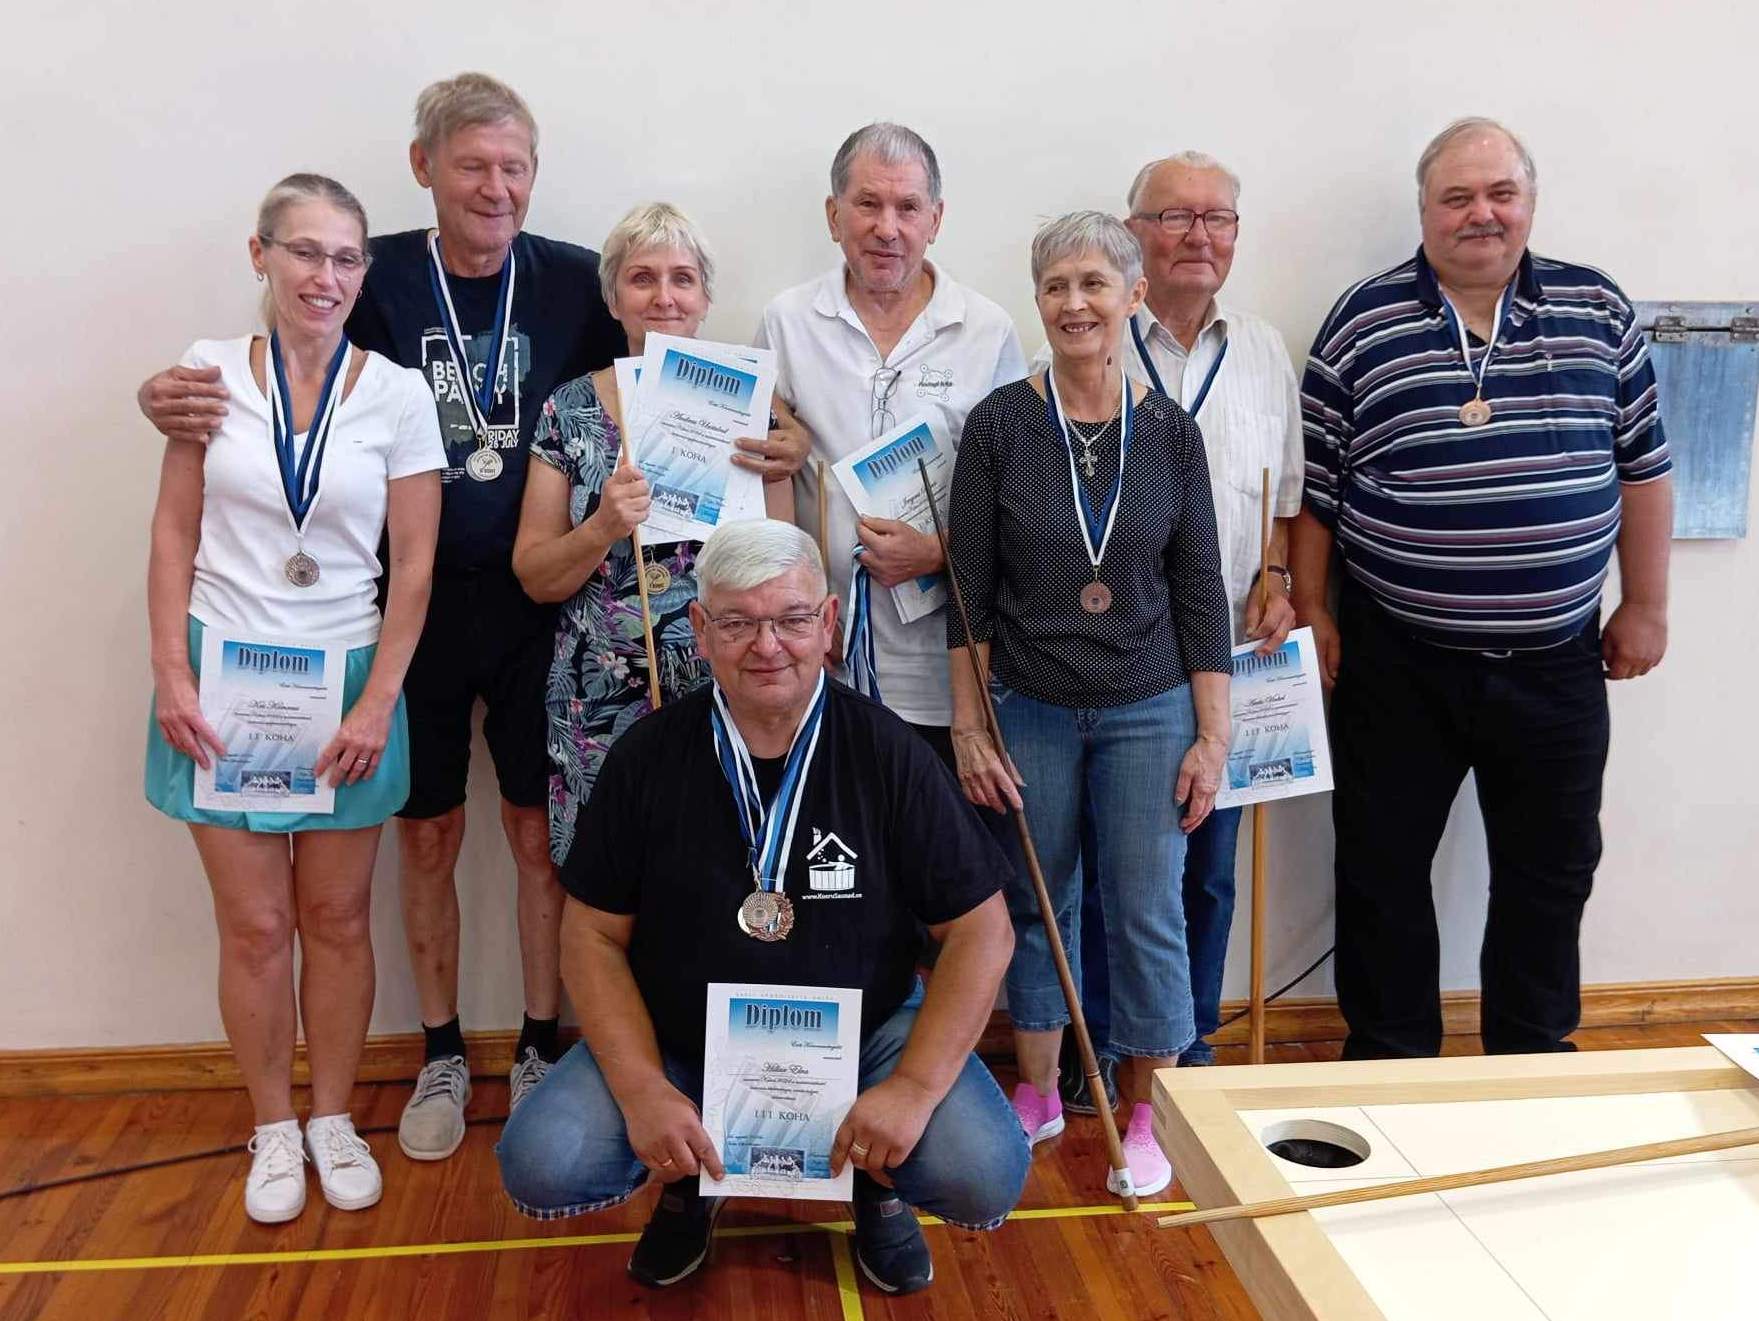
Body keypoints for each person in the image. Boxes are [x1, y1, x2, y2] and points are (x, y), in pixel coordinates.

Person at [136, 74, 806, 1152]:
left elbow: (679, 375)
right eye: (472, 167)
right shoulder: (371, 270)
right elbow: (282, 366)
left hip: (550, 616)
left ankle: (541, 1037)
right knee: (428, 832)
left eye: (514, 168)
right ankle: (442, 1048)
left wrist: (791, 441)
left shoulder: (578, 279)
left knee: (539, 835)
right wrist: (163, 395)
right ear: (424, 168)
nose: (496, 189)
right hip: (409, 607)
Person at [495, 519, 1027, 1295]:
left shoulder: (888, 753)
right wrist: (643, 1089)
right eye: (738, 622)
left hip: (868, 1035)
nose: (767, 645)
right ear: (700, 629)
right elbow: (590, 934)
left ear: (828, 622)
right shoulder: (647, 755)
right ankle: (690, 1182)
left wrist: (912, 1088)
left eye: (791, 618)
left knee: (980, 1170)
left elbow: (983, 929)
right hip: (683, 1040)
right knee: (543, 1160)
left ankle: (874, 1186)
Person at [1290, 117, 1673, 1060]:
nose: (1480, 214)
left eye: (1500, 193)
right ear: (1423, 210)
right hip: (1396, 659)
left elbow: (1643, 469)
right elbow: (1315, 489)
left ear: (1529, 202)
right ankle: (1388, 1063)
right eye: (1456, 197)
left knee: (1551, 870)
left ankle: (1531, 1061)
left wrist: (1645, 603)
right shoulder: (1363, 320)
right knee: (1380, 869)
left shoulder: (1597, 308)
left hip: (1556, 661)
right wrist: (1310, 610)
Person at [143, 174, 444, 1223]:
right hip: (219, 679)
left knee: (337, 919)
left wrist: (379, 700)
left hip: (346, 681)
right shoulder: (208, 371)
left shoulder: (397, 394)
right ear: (260, 254)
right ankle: (272, 1126)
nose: (326, 276)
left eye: (346, 257)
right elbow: (174, 531)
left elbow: (413, 566)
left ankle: (331, 1118)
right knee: (257, 926)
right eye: (305, 251)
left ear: (365, 272)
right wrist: (170, 671)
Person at [946, 212, 1234, 1197]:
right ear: (1038, 300)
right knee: (1036, 902)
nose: (1074, 304)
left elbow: (1199, 590)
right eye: (1055, 286)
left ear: (1132, 296)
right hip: (1029, 705)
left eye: (1093, 284)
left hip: (1149, 709)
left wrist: (1212, 734)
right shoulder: (999, 426)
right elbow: (968, 589)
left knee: (1147, 908)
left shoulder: (1171, 433)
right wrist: (969, 723)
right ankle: (1035, 1088)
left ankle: (1144, 1108)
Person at [1040, 153, 1305, 1108]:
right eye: (1174, 216)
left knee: (1207, 869)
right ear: (1133, 236)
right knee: (1109, 872)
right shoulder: (1091, 337)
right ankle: (1099, 1049)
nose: (1199, 235)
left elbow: (1284, 502)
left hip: (1225, 656)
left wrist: (1277, 576)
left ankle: (1184, 1052)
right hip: (1115, 660)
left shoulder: (1263, 349)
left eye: (1216, 218)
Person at [511, 201, 802, 865]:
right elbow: (534, 576)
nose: (664, 297)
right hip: (599, 694)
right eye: (642, 278)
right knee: (602, 881)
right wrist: (602, 526)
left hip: (729, 686)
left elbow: (785, 567)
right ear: (613, 298)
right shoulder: (569, 408)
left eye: (682, 279)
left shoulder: (754, 406)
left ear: (704, 300)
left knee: (721, 876)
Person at [754, 122, 1026, 764]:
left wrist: (936, 552)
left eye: (907, 207)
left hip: (949, 669)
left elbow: (1022, 500)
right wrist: (793, 609)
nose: (887, 228)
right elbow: (762, 480)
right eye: (868, 204)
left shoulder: (986, 331)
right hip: (821, 660)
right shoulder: (787, 323)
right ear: (834, 215)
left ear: (936, 219)